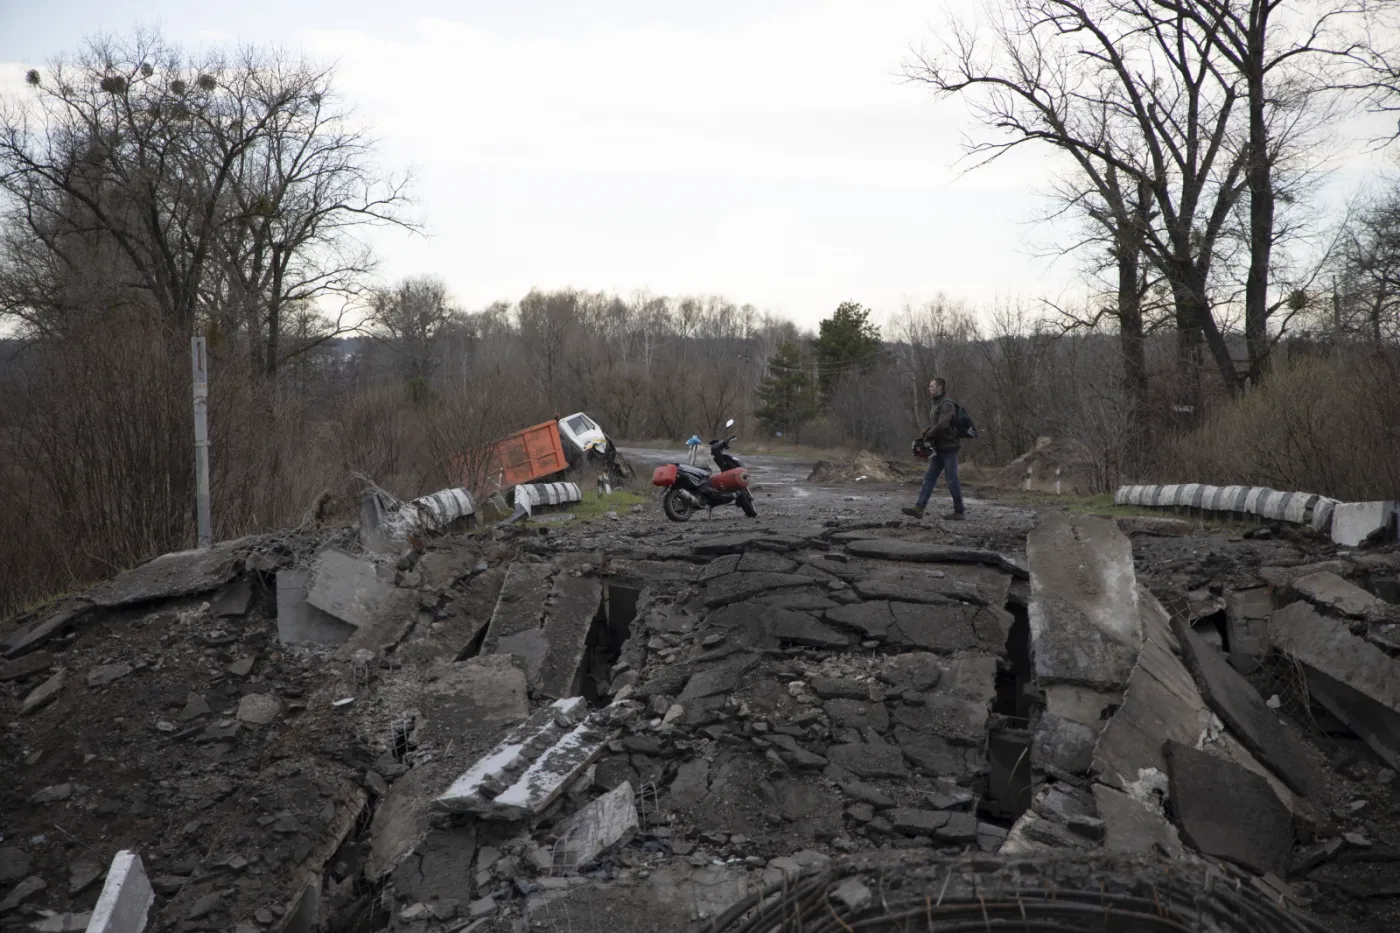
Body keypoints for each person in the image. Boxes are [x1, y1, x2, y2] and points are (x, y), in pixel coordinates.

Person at [903, 377, 965, 521]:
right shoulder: (937, 403)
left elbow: (943, 424)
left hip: (949, 448)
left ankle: (959, 511)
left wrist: (929, 434)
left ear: (939, 387)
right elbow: (938, 423)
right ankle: (919, 508)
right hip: (940, 448)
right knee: (929, 478)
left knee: (952, 480)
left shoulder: (947, 403)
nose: (929, 389)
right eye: (930, 386)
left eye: (932, 386)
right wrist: (928, 430)